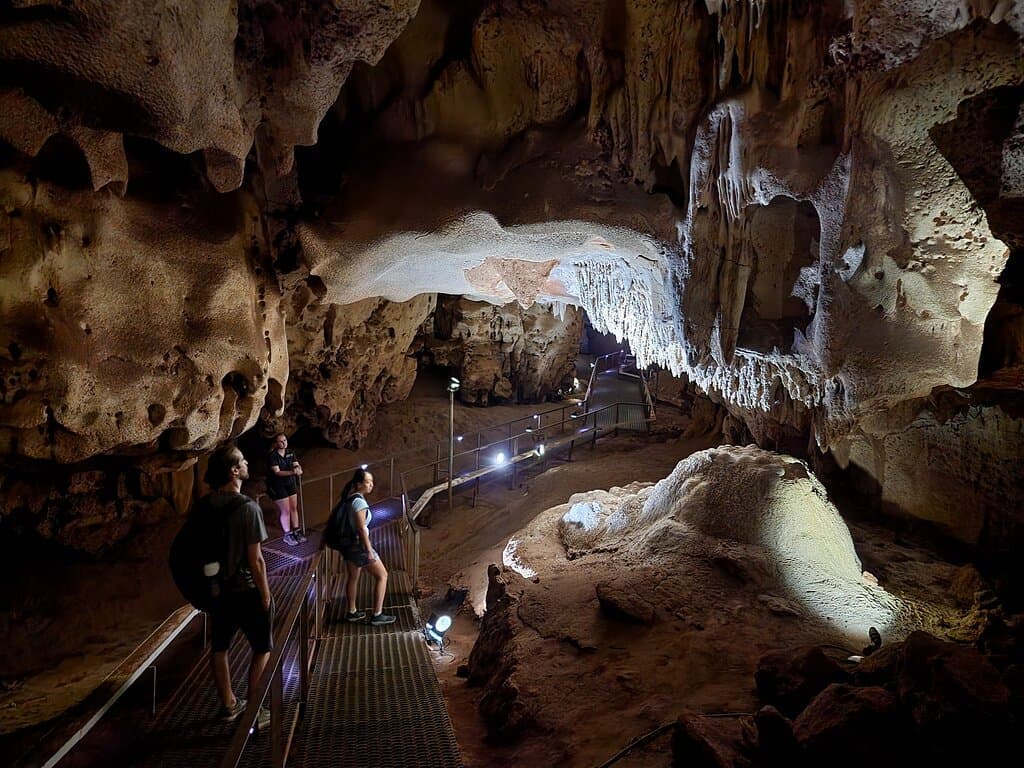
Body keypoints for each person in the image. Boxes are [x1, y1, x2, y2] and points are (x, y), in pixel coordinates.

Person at [202, 445, 273, 727]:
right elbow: (256, 560)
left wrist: (211, 587)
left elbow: (202, 552)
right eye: (242, 461)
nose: (246, 464)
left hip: (218, 591)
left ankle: (229, 703)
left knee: (220, 647)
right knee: (262, 647)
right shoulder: (248, 508)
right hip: (246, 589)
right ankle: (255, 708)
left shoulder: (205, 505)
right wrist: (266, 594)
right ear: (234, 471)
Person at [336, 468, 396, 626]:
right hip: (359, 546)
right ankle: (377, 614)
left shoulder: (349, 499)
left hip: (348, 545)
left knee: (353, 578)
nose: (371, 485)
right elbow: (361, 528)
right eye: (368, 482)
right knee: (382, 575)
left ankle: (352, 612)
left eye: (372, 482)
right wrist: (369, 550)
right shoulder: (359, 502)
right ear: (358, 484)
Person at [266, 433, 305, 545]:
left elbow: (296, 464)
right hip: (279, 486)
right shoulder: (273, 456)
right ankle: (287, 534)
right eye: (281, 441)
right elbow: (277, 472)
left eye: (285, 440)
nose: (284, 443)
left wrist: (298, 469)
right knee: (286, 510)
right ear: (276, 443)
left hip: (290, 483)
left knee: (294, 507)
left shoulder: (290, 452)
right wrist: (293, 472)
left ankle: (296, 531)